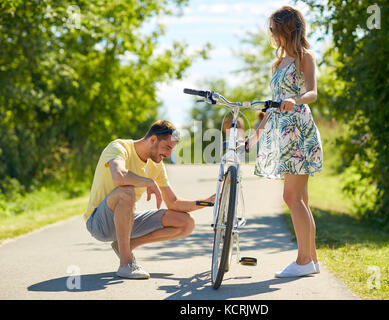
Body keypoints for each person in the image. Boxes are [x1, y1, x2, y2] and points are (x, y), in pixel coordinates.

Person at [246, 5, 323, 278]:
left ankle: (303, 261)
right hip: (282, 133)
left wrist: (296, 99)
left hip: (299, 130)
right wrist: (257, 133)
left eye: (274, 29)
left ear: (287, 29)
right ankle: (311, 260)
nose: (272, 35)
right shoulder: (277, 64)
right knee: (300, 197)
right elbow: (274, 105)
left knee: (291, 197)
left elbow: (312, 93)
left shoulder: (305, 57)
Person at [84, 120, 215, 279]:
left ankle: (125, 245)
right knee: (127, 191)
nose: (168, 155)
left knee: (186, 223)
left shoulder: (157, 166)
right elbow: (119, 176)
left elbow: (173, 202)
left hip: (127, 222)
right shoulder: (119, 148)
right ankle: (126, 263)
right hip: (99, 222)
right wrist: (148, 182)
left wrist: (208, 201)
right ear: (153, 139)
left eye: (171, 150)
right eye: (167, 147)